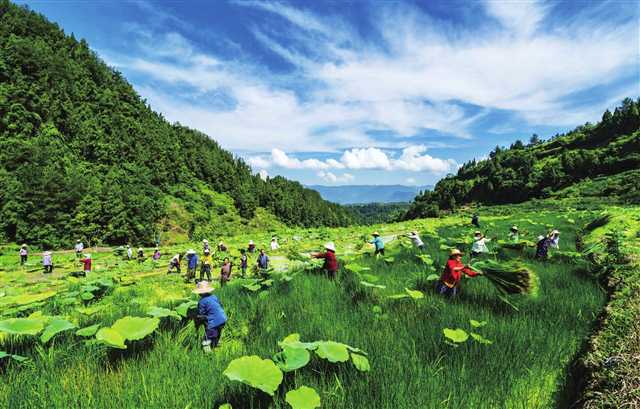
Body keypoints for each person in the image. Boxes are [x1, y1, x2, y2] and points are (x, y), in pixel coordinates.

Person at [194, 281, 227, 353]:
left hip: (213, 322)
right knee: (217, 334)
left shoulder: (202, 301)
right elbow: (220, 305)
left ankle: (208, 354)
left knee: (207, 338)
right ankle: (216, 346)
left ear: (200, 293)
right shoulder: (214, 296)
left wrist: (196, 321)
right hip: (223, 318)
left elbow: (201, 314)